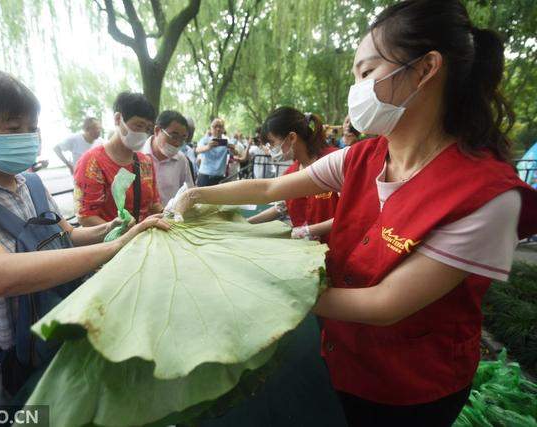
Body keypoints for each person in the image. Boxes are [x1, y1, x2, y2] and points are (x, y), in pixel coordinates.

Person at [172, 1, 537, 425]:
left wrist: (263, 294)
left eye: (366, 73)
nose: (356, 91)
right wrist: (197, 195)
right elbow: (271, 187)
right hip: (343, 356)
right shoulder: (362, 157)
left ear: (426, 69)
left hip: (410, 388)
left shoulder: (488, 196)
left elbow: (385, 304)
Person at [0, 66, 168, 407]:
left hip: (42, 337)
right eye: (13, 128)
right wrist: (116, 247)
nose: (28, 138)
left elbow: (67, 237)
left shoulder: (31, 183)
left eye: (33, 129)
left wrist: (112, 228)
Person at [247, 107, 339, 243]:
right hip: (308, 255)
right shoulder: (290, 173)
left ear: (291, 137)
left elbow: (352, 212)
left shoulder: (335, 161)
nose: (270, 149)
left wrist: (308, 231)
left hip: (338, 250)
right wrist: (245, 224)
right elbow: (281, 207)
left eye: (272, 143)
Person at [74, 92, 163, 226]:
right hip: (110, 243)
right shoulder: (92, 163)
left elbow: (153, 203)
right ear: (118, 119)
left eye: (148, 129)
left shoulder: (145, 162)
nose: (143, 133)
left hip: (142, 240)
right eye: (139, 125)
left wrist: (170, 214)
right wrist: (122, 233)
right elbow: (86, 217)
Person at [142, 110, 194, 206]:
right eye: (174, 137)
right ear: (157, 131)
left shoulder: (182, 160)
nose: (177, 143)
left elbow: (189, 192)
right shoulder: (137, 155)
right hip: (141, 219)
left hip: (169, 218)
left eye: (182, 139)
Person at [195, 118, 229, 186]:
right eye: (215, 126)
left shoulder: (227, 141)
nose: (218, 129)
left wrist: (233, 150)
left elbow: (237, 154)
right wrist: (208, 147)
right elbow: (197, 150)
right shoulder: (205, 140)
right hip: (205, 176)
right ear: (211, 128)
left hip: (220, 178)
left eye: (220, 127)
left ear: (223, 129)